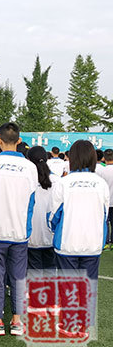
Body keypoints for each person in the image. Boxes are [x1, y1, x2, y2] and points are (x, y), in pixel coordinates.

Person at [0, 122, 38, 337]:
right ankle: (17, 320)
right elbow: (32, 200)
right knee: (18, 276)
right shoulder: (30, 167)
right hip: (20, 231)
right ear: (20, 140)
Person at [49, 140, 109, 332]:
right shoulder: (101, 184)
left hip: (68, 240)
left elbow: (53, 215)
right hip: (93, 241)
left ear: (71, 158)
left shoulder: (64, 183)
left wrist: (54, 229)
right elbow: (105, 214)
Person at [27, 146, 59, 270]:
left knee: (34, 276)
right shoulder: (57, 181)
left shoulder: (28, 180)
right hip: (51, 235)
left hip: (31, 236)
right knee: (50, 272)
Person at [96, 148, 113, 250]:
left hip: (105, 200)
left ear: (104, 158)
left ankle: (106, 242)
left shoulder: (102, 171)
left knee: (105, 222)